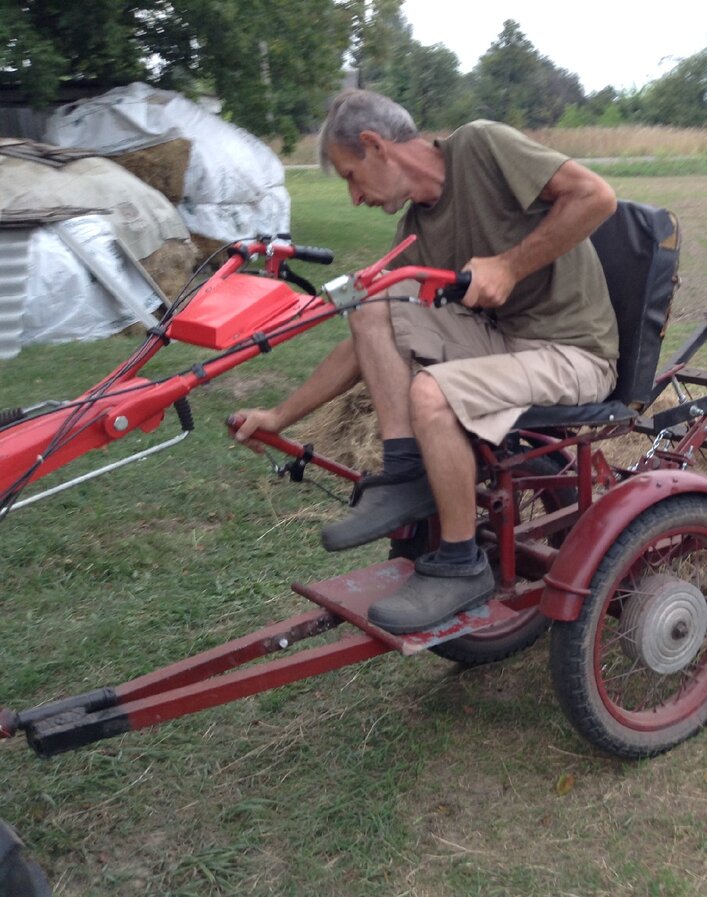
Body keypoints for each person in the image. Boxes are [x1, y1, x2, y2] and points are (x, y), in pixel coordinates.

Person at [232, 89, 619, 635]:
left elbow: (596, 197)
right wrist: (280, 416)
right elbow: (363, 347)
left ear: (375, 145)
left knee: (431, 392)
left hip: (574, 352)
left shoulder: (482, 147)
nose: (354, 198)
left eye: (350, 175)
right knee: (370, 309)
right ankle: (405, 471)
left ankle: (461, 563)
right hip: (504, 341)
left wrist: (509, 266)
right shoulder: (417, 231)